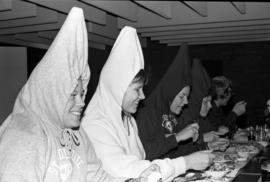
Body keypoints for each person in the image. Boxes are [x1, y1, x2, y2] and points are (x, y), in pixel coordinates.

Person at [0, 7, 155, 182]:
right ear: (52, 93)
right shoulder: (24, 136)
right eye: (73, 95)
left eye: (82, 94)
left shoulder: (78, 134)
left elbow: (98, 177)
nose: (82, 103)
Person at [81, 26, 214, 182]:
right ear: (118, 87)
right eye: (137, 90)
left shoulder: (128, 120)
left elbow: (142, 159)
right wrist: (185, 163)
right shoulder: (95, 124)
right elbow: (129, 170)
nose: (143, 96)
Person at [135, 46, 207, 159]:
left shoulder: (171, 114)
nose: (186, 102)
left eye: (187, 97)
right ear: (170, 92)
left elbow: (175, 152)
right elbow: (144, 152)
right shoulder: (146, 113)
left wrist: (204, 146)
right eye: (182, 96)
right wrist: (177, 137)